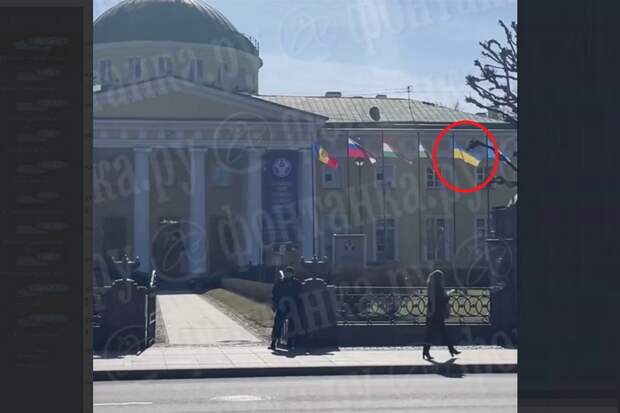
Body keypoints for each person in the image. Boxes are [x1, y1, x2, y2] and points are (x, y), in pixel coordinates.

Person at [422, 269, 461, 360]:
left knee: (433, 333)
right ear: (438, 278)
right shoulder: (437, 287)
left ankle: (450, 349)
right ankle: (451, 349)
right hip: (436, 313)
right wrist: (448, 296)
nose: (443, 279)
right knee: (437, 333)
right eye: (441, 277)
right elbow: (439, 299)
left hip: (433, 312)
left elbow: (433, 299)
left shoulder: (432, 286)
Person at [269, 266, 302, 350]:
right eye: (287, 273)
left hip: (292, 306)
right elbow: (275, 293)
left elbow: (300, 295)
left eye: (290, 273)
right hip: (282, 305)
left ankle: (290, 343)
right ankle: (274, 342)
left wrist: (298, 305)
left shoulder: (297, 283)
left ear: (293, 274)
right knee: (278, 324)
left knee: (291, 325)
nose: (288, 274)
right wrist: (274, 304)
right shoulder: (280, 282)